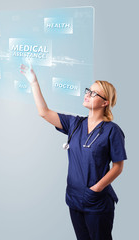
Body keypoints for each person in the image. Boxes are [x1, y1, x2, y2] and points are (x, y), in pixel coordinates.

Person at [20, 63, 127, 240]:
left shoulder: (112, 130)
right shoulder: (75, 124)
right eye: (88, 90)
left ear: (105, 102)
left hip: (97, 202)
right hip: (74, 198)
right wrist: (34, 83)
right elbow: (44, 112)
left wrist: (96, 189)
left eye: (94, 93)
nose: (87, 94)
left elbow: (118, 167)